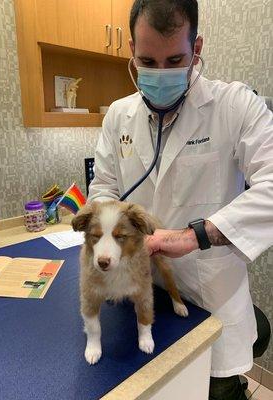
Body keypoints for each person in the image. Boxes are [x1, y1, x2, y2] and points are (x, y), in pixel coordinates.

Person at [88, 0, 273, 399]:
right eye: (147, 62)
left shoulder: (234, 105)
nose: (159, 74)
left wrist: (193, 236)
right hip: (138, 290)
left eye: (174, 59)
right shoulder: (118, 116)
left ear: (197, 48)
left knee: (213, 390)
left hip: (211, 299)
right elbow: (102, 189)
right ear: (131, 54)